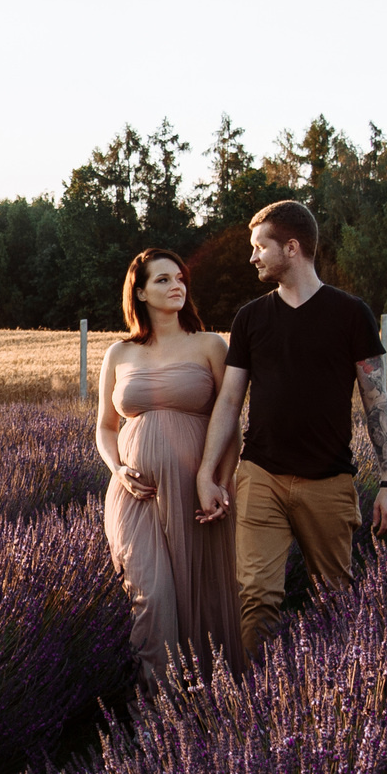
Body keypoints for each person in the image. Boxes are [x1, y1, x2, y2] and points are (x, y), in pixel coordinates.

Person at [193, 200, 387, 658]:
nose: (252, 257)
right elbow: (230, 400)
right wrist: (207, 473)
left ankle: (328, 703)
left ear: (291, 248)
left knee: (334, 599)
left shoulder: (351, 314)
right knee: (257, 598)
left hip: (328, 481)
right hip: (261, 477)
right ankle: (258, 706)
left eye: (259, 247)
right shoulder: (250, 318)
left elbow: (377, 401)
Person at [97, 247, 244, 685]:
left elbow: (231, 422)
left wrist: (219, 481)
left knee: (204, 600)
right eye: (162, 279)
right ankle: (160, 712)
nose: (176, 284)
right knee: (153, 597)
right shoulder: (119, 354)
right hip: (135, 494)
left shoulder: (210, 345)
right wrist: (118, 470)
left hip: (197, 492)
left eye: (180, 278)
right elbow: (105, 427)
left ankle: (211, 707)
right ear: (139, 292)